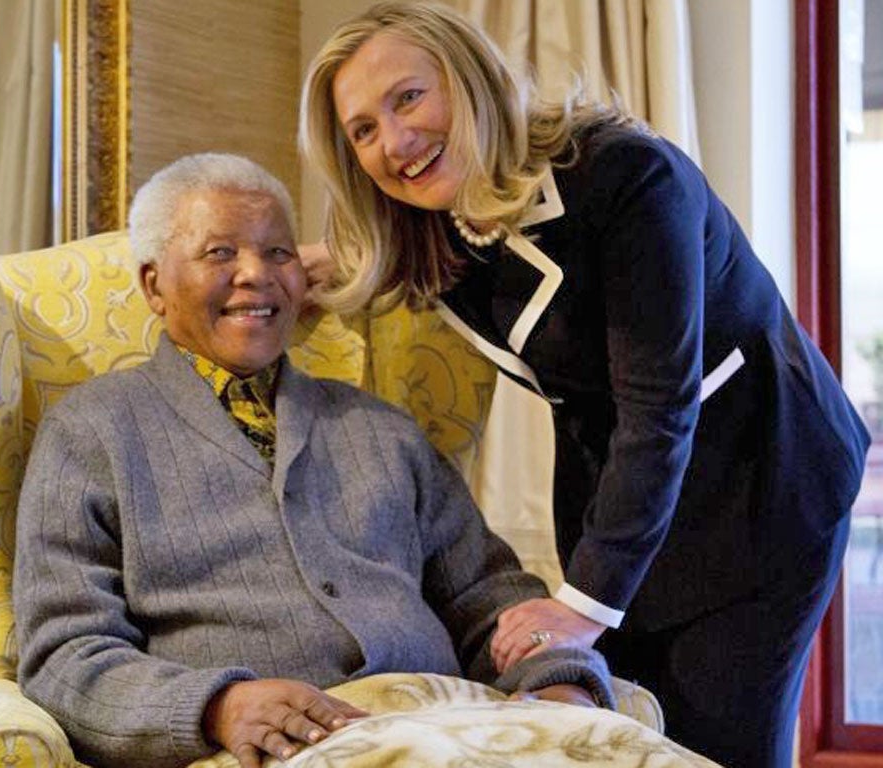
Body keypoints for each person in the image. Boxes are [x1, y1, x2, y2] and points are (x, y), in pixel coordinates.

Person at [297, 3, 872, 767]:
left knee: (718, 744)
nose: (395, 141)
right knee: (626, 736)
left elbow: (659, 404)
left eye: (408, 98)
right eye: (362, 129)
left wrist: (583, 604)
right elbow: (384, 264)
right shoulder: (433, 218)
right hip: (627, 495)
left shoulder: (628, 177)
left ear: (469, 81)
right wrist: (285, 266)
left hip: (761, 477)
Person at [12, 152, 618, 768]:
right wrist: (218, 706)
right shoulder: (92, 432)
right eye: (220, 253)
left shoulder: (382, 428)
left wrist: (556, 676)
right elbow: (64, 656)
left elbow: (489, 596)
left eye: (278, 252)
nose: (257, 274)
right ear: (154, 286)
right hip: (275, 751)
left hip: (454, 724)